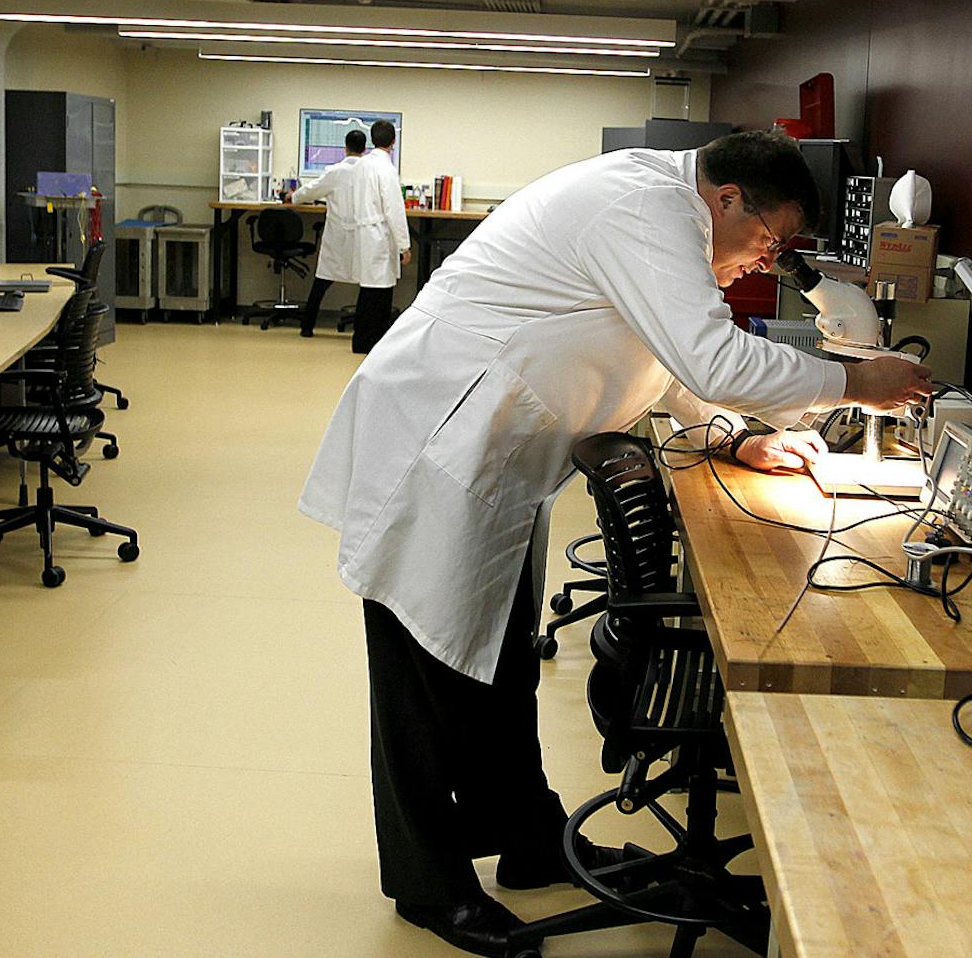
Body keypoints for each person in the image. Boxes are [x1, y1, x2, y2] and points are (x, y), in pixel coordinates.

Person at [298, 131, 933, 956]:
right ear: (727, 199)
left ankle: (529, 841)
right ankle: (431, 887)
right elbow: (709, 356)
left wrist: (735, 440)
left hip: (495, 451)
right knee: (421, 679)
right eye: (769, 242)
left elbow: (663, 364)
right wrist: (858, 380)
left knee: (499, 664)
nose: (764, 262)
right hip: (434, 437)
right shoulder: (645, 209)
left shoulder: (667, 222)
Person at [286, 128, 410, 352]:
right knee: (377, 290)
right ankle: (370, 342)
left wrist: (293, 196)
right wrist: (404, 245)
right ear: (393, 141)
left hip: (355, 232)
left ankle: (322, 329)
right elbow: (394, 209)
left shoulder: (356, 168)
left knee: (347, 284)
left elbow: (312, 190)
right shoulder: (384, 169)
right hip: (373, 234)